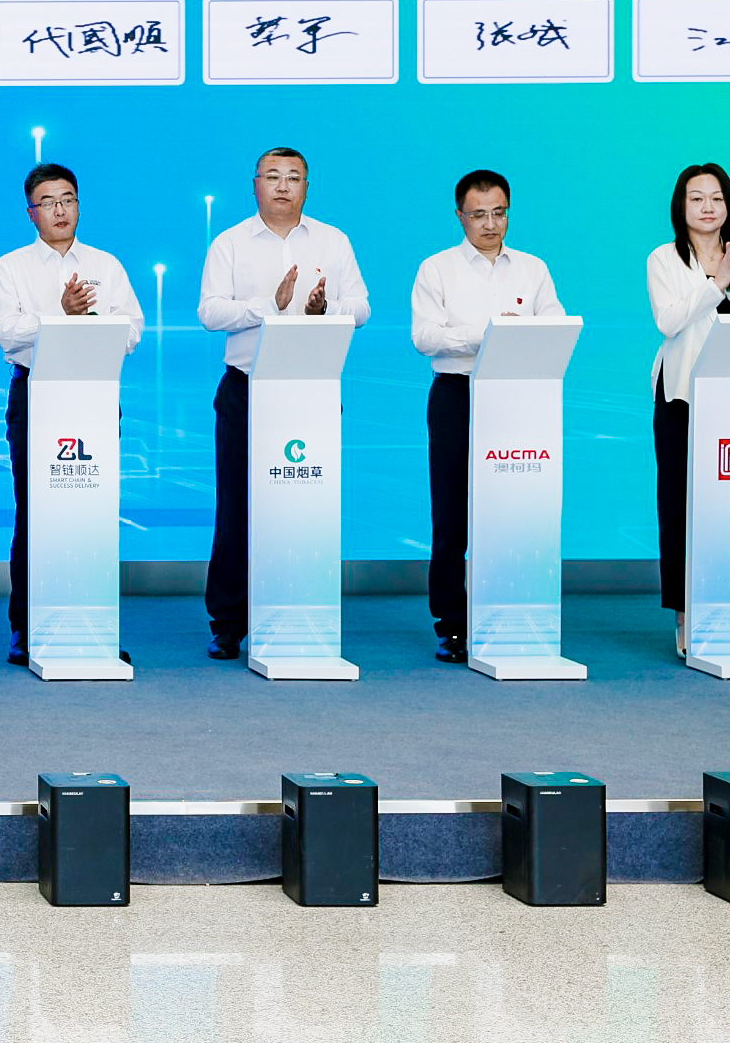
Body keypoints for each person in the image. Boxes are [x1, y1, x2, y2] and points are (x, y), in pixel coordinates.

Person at [196, 146, 369, 660]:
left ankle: (303, 610)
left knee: (305, 505)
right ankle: (228, 622)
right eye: (272, 176)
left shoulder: (334, 241)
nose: (282, 185)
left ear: (306, 188)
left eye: (294, 177)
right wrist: (267, 306)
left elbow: (361, 307)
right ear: (255, 184)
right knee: (236, 506)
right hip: (247, 388)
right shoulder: (230, 243)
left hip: (312, 389)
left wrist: (324, 308)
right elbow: (209, 312)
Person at [0, 162, 144, 665]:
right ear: (31, 212)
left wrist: (87, 322)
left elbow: (132, 329)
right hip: (35, 394)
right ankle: (26, 628)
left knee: (90, 513)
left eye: (68, 200)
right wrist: (60, 316)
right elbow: (5, 332)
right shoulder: (12, 267)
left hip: (93, 396)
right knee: (34, 512)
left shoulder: (106, 265)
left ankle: (95, 624)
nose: (60, 210)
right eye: (49, 202)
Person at [408, 169, 564, 664]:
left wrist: (526, 333)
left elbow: (556, 323)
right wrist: (489, 334)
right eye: (479, 215)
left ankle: (513, 610)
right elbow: (425, 337)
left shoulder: (533, 269)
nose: (490, 224)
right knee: (451, 512)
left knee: (514, 506)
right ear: (460, 216)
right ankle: (451, 624)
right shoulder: (437, 269)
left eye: (499, 213)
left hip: (517, 396)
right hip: (457, 393)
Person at [649, 161, 730, 654]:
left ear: (729, 206)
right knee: (679, 504)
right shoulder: (663, 258)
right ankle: (684, 613)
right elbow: (669, 321)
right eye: (697, 198)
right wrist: (714, 284)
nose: (707, 207)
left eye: (716, 198)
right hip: (680, 394)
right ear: (681, 206)